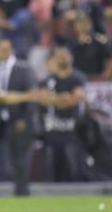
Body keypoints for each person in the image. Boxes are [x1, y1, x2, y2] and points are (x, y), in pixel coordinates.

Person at [0, 39, 38, 196]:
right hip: (3, 122)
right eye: (0, 48)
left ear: (12, 50)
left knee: (22, 161)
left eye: (6, 49)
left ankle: (22, 192)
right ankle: (18, 191)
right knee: (12, 161)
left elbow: (33, 94)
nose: (3, 52)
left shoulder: (23, 68)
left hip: (21, 121)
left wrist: (24, 119)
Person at [34, 47, 86, 182]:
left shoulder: (77, 77)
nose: (63, 58)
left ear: (71, 58)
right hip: (52, 130)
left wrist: (55, 100)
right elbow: (43, 99)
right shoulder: (49, 79)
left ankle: (77, 196)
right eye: (60, 55)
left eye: (65, 55)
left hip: (71, 130)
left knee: (73, 168)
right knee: (51, 168)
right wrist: (63, 98)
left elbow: (76, 98)